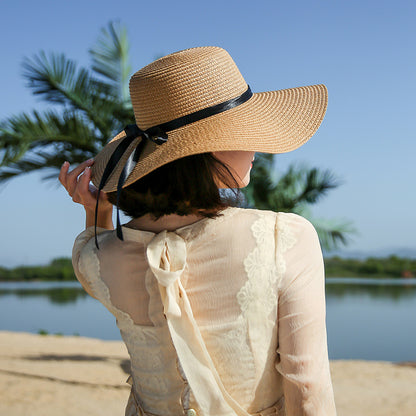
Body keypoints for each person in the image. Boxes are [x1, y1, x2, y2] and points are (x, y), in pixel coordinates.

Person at [59, 47, 337, 416]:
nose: (256, 147)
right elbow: (308, 387)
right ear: (212, 148)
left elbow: (95, 254)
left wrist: (98, 213)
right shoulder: (283, 238)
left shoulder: (97, 257)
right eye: (244, 130)